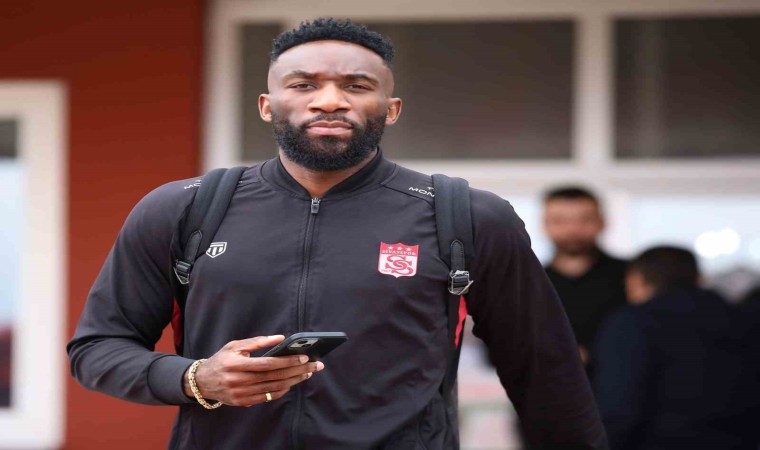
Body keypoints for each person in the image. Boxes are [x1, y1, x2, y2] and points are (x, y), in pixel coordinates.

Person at [67, 18, 606, 449]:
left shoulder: (467, 216)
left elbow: (544, 370)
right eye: (303, 85)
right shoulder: (183, 210)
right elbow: (97, 348)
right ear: (267, 105)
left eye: (356, 86)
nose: (328, 100)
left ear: (390, 109)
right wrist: (195, 379)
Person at [594, 246, 760, 450]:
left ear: (635, 280)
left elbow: (619, 408)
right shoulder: (742, 320)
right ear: (698, 278)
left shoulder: (633, 323)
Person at [542, 186, 627, 372]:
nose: (573, 229)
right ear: (544, 224)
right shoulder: (525, 282)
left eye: (585, 220)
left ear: (602, 222)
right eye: (559, 220)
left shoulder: (632, 277)